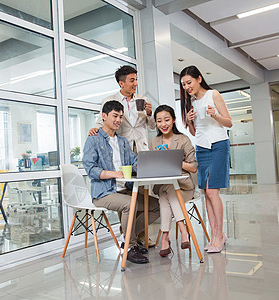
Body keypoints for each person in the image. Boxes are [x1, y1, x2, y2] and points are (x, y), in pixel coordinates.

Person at [83, 100, 160, 264]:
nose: (118, 120)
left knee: (156, 206)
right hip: (104, 193)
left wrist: (147, 166)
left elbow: (134, 162)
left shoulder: (123, 142)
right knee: (130, 204)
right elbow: (91, 169)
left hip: (126, 190)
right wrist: (115, 174)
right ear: (104, 116)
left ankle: (127, 235)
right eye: (114, 116)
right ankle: (130, 247)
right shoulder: (93, 140)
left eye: (120, 116)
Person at [88, 65, 156, 247]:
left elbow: (151, 126)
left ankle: (136, 233)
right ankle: (129, 238)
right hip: (120, 145)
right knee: (125, 197)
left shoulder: (143, 99)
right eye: (132, 80)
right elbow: (102, 121)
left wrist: (149, 114)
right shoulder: (110, 101)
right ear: (121, 82)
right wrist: (95, 129)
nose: (135, 83)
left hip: (138, 148)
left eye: (136, 80)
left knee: (141, 193)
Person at [179, 65, 232, 253]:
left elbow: (229, 122)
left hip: (218, 145)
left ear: (199, 79)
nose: (186, 86)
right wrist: (190, 121)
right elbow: (195, 132)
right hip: (201, 147)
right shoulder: (190, 103)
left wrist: (215, 115)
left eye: (189, 82)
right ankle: (215, 235)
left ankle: (219, 235)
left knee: (212, 193)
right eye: (183, 84)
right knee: (206, 194)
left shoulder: (213, 94)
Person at [150, 105, 198, 257]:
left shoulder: (183, 139)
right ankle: (183, 231)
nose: (163, 124)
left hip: (184, 188)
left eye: (166, 120)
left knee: (168, 193)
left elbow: (193, 167)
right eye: (159, 121)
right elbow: (152, 166)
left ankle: (166, 238)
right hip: (164, 186)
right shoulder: (154, 141)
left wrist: (172, 159)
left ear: (174, 120)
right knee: (168, 191)